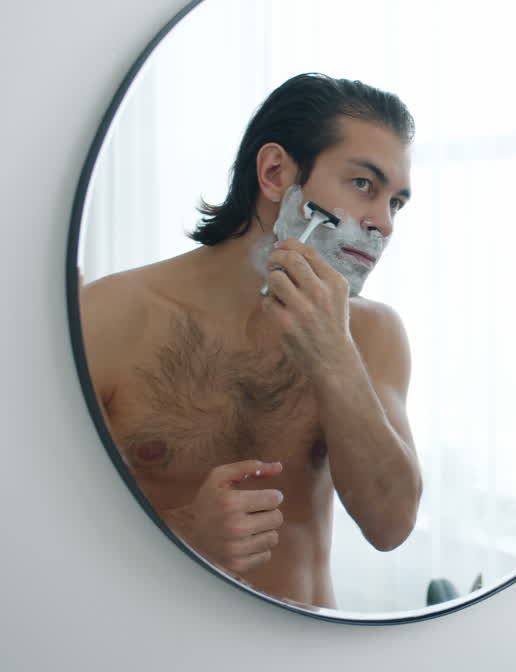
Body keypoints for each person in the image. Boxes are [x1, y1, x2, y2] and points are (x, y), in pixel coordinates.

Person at [80, 73, 423, 609]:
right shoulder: (110, 318)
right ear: (274, 172)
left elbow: (391, 524)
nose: (383, 224)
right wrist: (185, 532)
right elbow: (38, 531)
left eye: (397, 203)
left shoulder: (373, 334)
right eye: (363, 185)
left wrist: (334, 356)